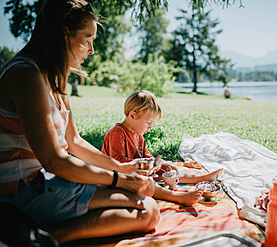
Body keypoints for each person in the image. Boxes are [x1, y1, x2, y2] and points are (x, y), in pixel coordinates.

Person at [0, 0, 160, 244]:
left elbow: (73, 141)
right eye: (88, 39)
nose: (92, 50)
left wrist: (120, 167)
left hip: (48, 183)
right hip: (22, 192)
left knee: (145, 191)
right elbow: (54, 161)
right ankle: (42, 239)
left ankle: (41, 235)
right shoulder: (26, 74)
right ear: (64, 34)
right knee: (147, 209)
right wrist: (120, 179)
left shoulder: (55, 78)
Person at [101, 90, 223, 206]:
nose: (150, 127)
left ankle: (201, 178)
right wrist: (145, 165)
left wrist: (164, 166)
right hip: (118, 178)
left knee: (167, 173)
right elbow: (117, 162)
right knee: (148, 183)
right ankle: (177, 197)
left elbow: (148, 157)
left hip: (136, 172)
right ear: (132, 115)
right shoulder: (118, 132)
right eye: (148, 122)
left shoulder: (138, 136)